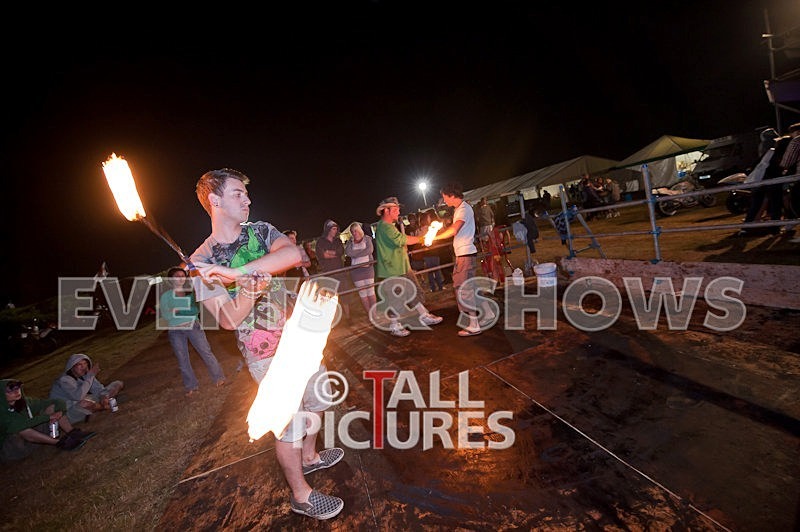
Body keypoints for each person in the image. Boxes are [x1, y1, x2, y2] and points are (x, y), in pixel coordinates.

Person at [189, 168, 344, 520]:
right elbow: (228, 318)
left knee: (318, 401)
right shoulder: (200, 262)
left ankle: (310, 454)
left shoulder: (260, 230)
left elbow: (292, 256)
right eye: (237, 194)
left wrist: (237, 273)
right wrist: (246, 290)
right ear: (214, 201)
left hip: (299, 338)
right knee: (287, 424)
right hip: (264, 355)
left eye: (246, 193)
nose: (247, 199)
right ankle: (301, 495)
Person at [429, 183, 496, 336]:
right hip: (465, 254)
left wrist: (434, 237)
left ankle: (473, 324)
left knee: (463, 289)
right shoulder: (460, 209)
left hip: (465, 255)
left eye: (445, 197)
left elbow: (454, 230)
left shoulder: (464, 209)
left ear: (452, 195)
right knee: (471, 288)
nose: (444, 201)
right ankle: (488, 313)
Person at [373, 196, 443, 337]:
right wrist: (422, 239)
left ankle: (424, 315)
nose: (398, 211)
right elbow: (401, 240)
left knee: (415, 291)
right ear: (386, 211)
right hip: (392, 269)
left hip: (402, 266)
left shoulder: (389, 227)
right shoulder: (384, 227)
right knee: (396, 298)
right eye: (395, 209)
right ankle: (394, 326)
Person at [158, 266, 227, 396]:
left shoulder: (190, 292)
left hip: (193, 326)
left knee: (206, 352)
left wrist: (176, 310)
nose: (180, 278)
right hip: (175, 331)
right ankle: (191, 386)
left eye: (182, 275)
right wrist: (180, 309)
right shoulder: (166, 296)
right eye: (177, 276)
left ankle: (219, 378)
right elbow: (165, 316)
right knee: (182, 359)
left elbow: (195, 310)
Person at [2, 379, 94, 460]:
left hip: (32, 441)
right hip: (13, 448)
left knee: (52, 407)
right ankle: (60, 443)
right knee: (22, 428)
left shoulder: (23, 402)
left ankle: (72, 432)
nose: (16, 391)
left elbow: (56, 402)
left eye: (17, 387)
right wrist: (48, 417)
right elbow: (17, 425)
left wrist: (60, 411)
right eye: (10, 390)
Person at [49, 354, 124, 425]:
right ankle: (104, 406)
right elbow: (77, 396)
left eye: (85, 364)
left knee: (117, 384)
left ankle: (103, 404)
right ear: (72, 367)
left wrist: (104, 397)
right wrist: (90, 377)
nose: (83, 367)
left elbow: (98, 389)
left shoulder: (86, 375)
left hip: (85, 400)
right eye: (79, 365)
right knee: (84, 403)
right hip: (68, 411)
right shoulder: (64, 380)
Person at [315, 219, 352, 322]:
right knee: (330, 296)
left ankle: (348, 317)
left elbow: (340, 252)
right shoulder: (320, 242)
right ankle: (332, 319)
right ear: (328, 229)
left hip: (340, 271)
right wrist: (331, 253)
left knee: (344, 294)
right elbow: (322, 255)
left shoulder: (338, 241)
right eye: (333, 229)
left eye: (336, 229)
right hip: (329, 273)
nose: (335, 231)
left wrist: (330, 253)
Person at [344, 221, 378, 315]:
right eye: (352, 231)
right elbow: (348, 252)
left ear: (359, 230)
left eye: (355, 230)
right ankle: (369, 314)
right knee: (363, 294)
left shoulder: (367, 239)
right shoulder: (350, 242)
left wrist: (356, 255)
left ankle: (374, 313)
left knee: (371, 292)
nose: (354, 233)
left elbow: (369, 250)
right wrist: (361, 253)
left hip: (368, 269)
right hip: (356, 272)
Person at [416, 209, 445, 292]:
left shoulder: (422, 229)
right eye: (428, 217)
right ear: (426, 219)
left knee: (430, 271)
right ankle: (439, 286)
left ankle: (434, 287)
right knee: (435, 270)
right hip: (432, 252)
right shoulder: (428, 229)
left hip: (428, 253)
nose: (429, 219)